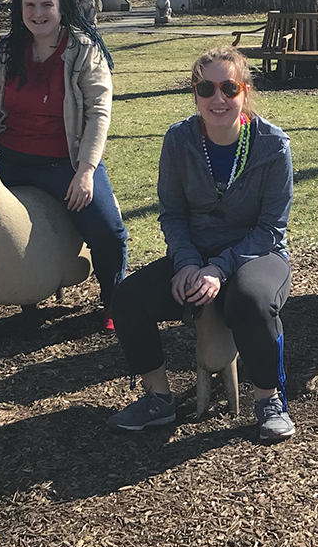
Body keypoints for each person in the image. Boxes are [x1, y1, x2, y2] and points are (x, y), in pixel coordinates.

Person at [109, 47, 296, 442]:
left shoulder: (272, 144)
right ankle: (158, 398)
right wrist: (188, 264)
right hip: (195, 254)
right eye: (206, 88)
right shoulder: (179, 140)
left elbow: (270, 228)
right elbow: (173, 215)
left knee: (251, 301)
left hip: (257, 253)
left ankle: (268, 400)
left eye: (229, 88)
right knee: (127, 298)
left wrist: (219, 268)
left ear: (245, 92)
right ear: (195, 94)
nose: (218, 99)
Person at [0, 0, 127, 327]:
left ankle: (115, 299)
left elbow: (98, 114)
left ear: (60, 4)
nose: (38, 14)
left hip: (64, 161)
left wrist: (86, 171)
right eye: (30, 5)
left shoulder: (84, 50)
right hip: (10, 158)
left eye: (46, 5)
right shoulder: (6, 52)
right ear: (20, 7)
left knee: (108, 229)